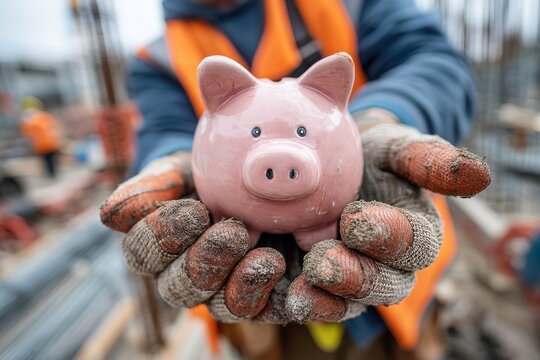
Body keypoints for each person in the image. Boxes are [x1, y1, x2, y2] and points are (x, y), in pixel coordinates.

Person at [100, 0, 491, 358]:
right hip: (253, 295)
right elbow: (166, 129)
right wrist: (171, 162)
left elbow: (432, 60)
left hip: (393, 268)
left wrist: (376, 123)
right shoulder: (157, 59)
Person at [20, 97, 62, 178]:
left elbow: (27, 135)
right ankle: (53, 174)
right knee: (51, 161)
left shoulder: (27, 120)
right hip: (49, 143)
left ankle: (52, 174)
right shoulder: (44, 116)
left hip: (42, 145)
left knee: (48, 161)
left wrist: (29, 146)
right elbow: (54, 128)